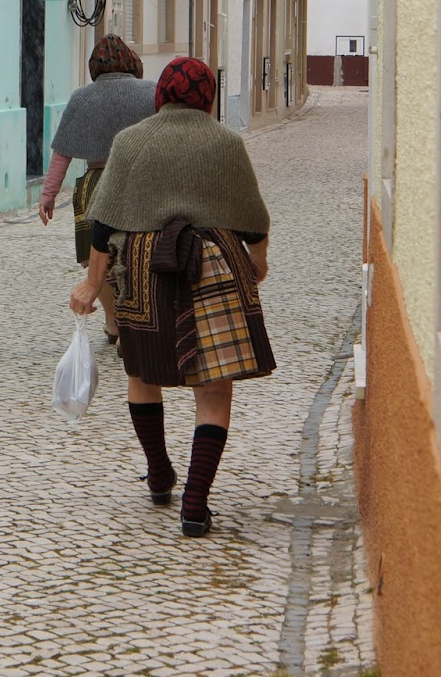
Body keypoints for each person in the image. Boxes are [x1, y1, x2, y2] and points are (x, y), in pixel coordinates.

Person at [69, 56, 274, 538]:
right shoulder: (225, 143)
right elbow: (251, 221)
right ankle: (195, 504)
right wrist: (258, 262)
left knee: (142, 373)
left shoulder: (130, 141)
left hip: (142, 266)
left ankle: (159, 472)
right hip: (213, 265)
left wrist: (92, 285)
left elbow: (104, 224)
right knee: (214, 387)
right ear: (208, 97)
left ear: (161, 95)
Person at [39, 36, 157, 343]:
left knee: (97, 258)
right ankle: (141, 315)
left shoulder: (82, 98)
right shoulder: (153, 92)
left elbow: (62, 152)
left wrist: (48, 195)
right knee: (140, 251)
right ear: (132, 62)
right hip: (142, 180)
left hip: (96, 186)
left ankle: (113, 321)